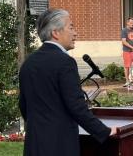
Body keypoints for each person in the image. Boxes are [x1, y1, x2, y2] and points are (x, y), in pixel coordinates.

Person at [19, 9, 117, 156]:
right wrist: (104, 131)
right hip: (60, 144)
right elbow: (76, 106)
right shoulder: (65, 62)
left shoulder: (28, 63)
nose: (75, 33)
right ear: (55, 33)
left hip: (34, 143)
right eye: (71, 27)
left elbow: (23, 105)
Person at [121, 17, 133, 87]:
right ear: (127, 23)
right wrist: (132, 47)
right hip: (127, 51)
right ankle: (127, 81)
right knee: (127, 67)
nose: (132, 24)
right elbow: (124, 41)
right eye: (130, 23)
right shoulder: (124, 30)